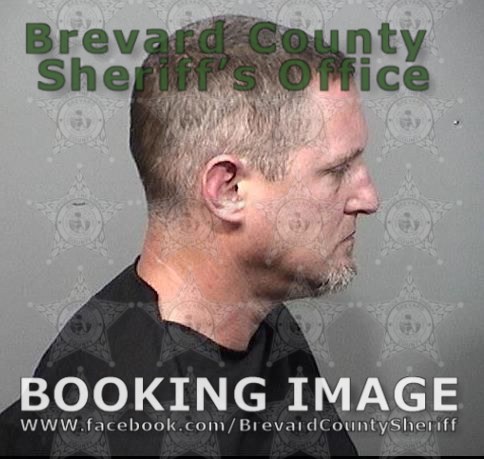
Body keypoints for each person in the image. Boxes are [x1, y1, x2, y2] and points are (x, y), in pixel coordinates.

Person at [0, 15, 379, 456]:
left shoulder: (259, 321)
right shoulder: (122, 431)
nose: (368, 198)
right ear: (228, 190)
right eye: (337, 170)